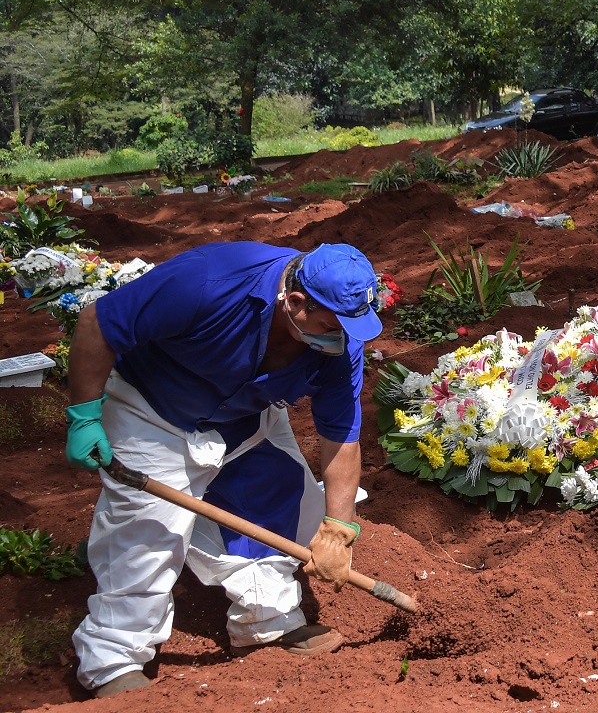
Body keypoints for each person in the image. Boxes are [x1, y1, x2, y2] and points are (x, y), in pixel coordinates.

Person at [64, 242, 382, 698]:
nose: (344, 341)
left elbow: (341, 437)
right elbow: (99, 323)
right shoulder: (208, 282)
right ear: (294, 303)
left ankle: (266, 621)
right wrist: (84, 417)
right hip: (154, 411)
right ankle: (114, 658)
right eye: (332, 327)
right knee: (149, 532)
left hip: (246, 416)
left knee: (282, 497)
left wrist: (338, 526)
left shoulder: (339, 341)